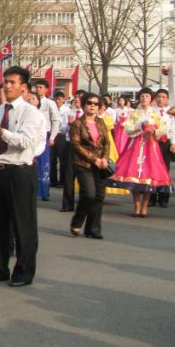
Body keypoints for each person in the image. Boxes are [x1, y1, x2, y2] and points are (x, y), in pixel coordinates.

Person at [0, 66, 46, 287]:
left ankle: (24, 272)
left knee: (23, 224)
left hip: (20, 171)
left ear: (24, 87)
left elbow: (26, 142)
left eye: (12, 82)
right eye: (5, 82)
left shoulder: (31, 113)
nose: (7, 86)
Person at [109, 87, 171, 217]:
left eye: (147, 96)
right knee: (134, 179)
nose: (144, 98)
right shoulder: (134, 113)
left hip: (151, 146)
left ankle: (145, 207)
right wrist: (140, 127)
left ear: (151, 99)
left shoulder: (156, 114)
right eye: (142, 96)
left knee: (148, 177)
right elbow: (127, 130)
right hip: (136, 146)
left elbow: (164, 129)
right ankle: (137, 206)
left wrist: (155, 131)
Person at [68, 92, 110, 239]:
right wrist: (94, 159)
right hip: (83, 163)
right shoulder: (77, 124)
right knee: (89, 194)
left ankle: (93, 229)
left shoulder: (101, 122)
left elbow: (106, 142)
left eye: (96, 104)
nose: (93, 106)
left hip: (100, 165)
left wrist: (104, 158)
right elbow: (76, 145)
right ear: (84, 104)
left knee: (99, 196)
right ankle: (77, 220)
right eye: (89, 103)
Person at [33, 79, 61, 201]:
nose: (38, 89)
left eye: (41, 87)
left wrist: (53, 137)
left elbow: (56, 120)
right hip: (32, 134)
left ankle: (44, 191)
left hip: (45, 134)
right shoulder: (31, 101)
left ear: (46, 89)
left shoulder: (49, 103)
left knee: (44, 163)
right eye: (37, 87)